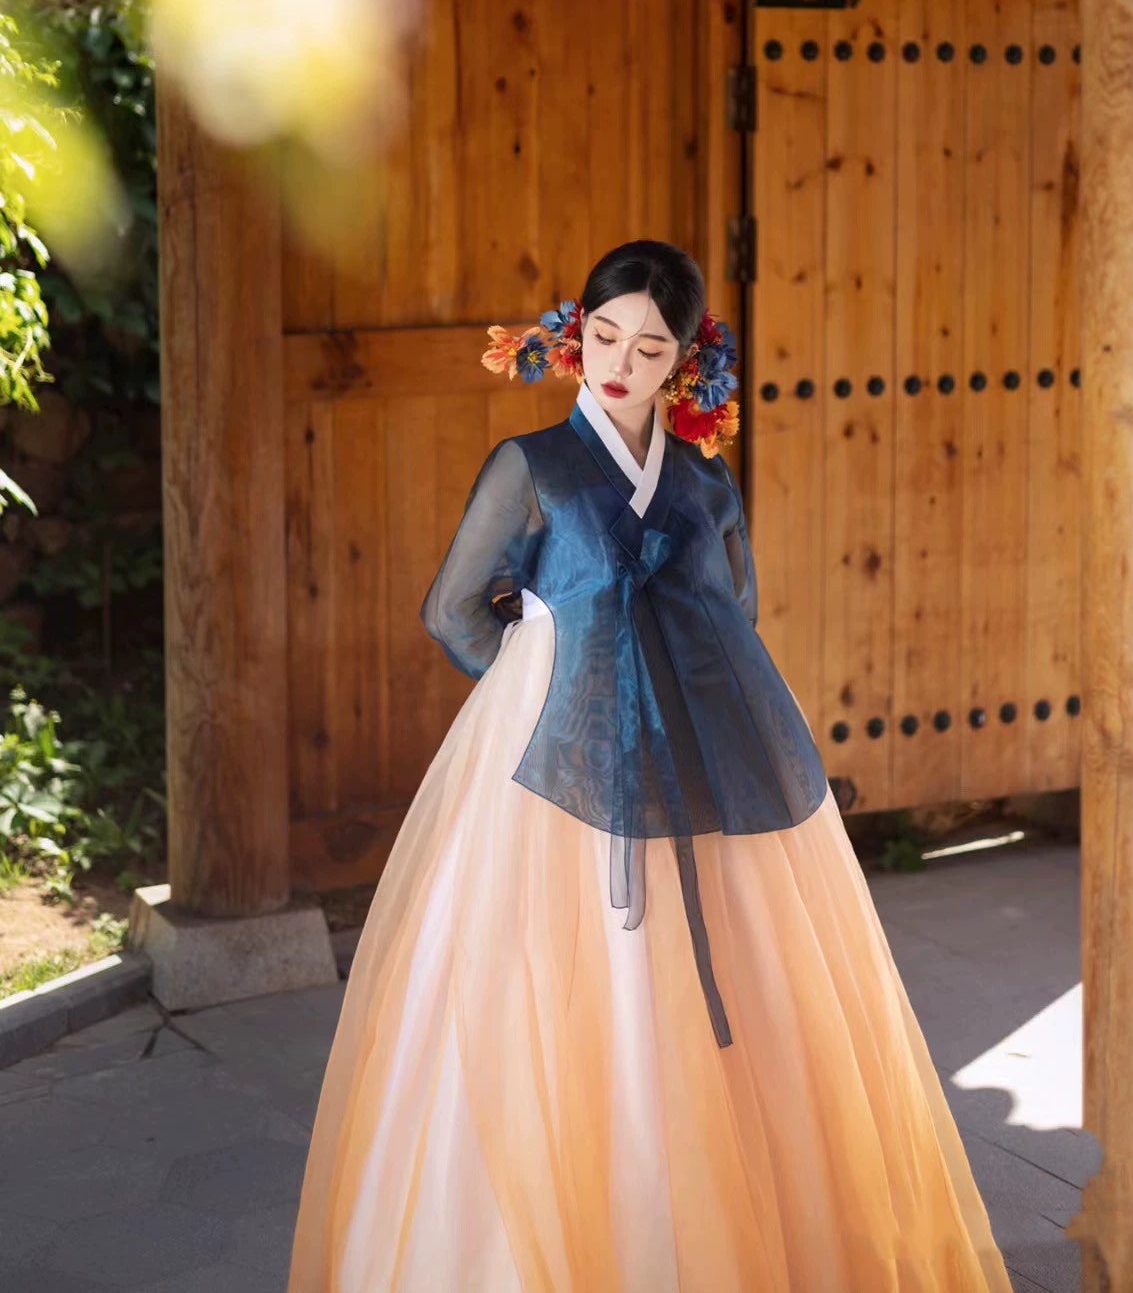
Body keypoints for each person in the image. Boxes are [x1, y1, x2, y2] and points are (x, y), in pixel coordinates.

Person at [286, 240, 1013, 1292]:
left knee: (740, 996)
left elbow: (736, 612)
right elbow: (451, 610)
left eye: (649, 344)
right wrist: (541, 678)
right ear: (576, 335)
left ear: (683, 361)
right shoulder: (529, 469)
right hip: (552, 769)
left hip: (700, 763)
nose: (620, 362)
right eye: (605, 335)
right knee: (555, 1003)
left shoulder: (705, 484)